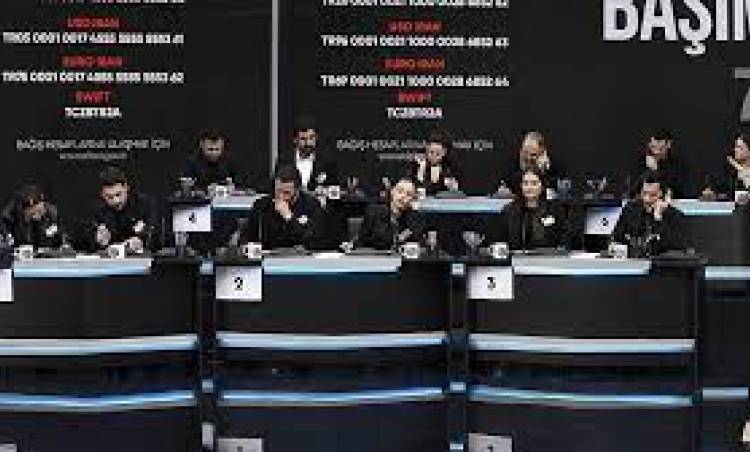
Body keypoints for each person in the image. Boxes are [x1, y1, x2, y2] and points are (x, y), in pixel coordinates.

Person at [240, 165, 324, 250]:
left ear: (297, 190)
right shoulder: (262, 205)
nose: (281, 196)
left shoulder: (311, 205)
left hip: (299, 255)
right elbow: (246, 237)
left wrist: (289, 217)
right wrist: (246, 247)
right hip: (268, 253)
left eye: (286, 193)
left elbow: (311, 239)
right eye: (278, 191)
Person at [488, 168, 569, 250]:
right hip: (517, 255)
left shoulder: (554, 209)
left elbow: (564, 236)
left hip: (549, 255)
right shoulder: (509, 210)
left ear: (542, 186)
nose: (529, 188)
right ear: (521, 186)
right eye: (525, 183)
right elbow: (499, 239)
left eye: (534, 183)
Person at [613, 173, 685, 256]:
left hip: (659, 262)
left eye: (653, 195)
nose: (647, 199)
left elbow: (671, 247)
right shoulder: (630, 210)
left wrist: (658, 218)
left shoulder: (675, 216)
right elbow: (617, 238)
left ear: (664, 196)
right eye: (644, 193)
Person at [91, 166, 160, 253]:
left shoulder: (145, 203)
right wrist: (97, 240)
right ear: (102, 195)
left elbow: (157, 238)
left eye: (118, 194)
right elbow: (84, 243)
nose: (116, 201)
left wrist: (142, 239)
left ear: (126, 188)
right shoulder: (99, 210)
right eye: (109, 197)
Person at [357, 178, 426, 250]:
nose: (403, 196)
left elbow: (419, 241)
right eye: (400, 191)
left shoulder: (415, 217)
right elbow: (362, 241)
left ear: (412, 199)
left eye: (408, 194)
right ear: (392, 192)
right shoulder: (374, 212)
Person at [276, 117, 339, 192]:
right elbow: (277, 186)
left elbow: (334, 189)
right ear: (295, 140)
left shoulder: (327, 161)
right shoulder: (284, 159)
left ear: (316, 138)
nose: (308, 143)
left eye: (311, 138)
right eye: (303, 139)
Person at [497, 131, 564, 197]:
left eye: (533, 155)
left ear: (542, 152)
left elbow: (555, 189)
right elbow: (506, 185)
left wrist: (543, 171)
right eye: (525, 152)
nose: (528, 157)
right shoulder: (512, 161)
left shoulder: (554, 164)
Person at [1, 184, 63, 249]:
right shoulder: (14, 218)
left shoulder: (51, 215)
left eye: (40, 211)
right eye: (34, 212)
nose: (37, 214)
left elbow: (57, 238)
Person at [631, 129, 687, 198]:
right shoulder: (641, 161)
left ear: (668, 144)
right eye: (653, 147)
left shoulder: (677, 163)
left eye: (661, 148)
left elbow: (676, 190)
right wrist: (649, 170)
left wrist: (656, 170)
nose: (656, 152)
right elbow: (633, 189)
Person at [409, 130, 461, 195]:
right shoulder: (417, 163)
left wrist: (452, 186)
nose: (434, 156)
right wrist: (421, 171)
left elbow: (455, 188)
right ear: (427, 149)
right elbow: (410, 183)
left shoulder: (449, 166)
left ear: (444, 152)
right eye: (431, 152)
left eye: (438, 154)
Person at [701, 133, 750, 201]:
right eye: (735, 147)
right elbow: (726, 193)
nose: (735, 150)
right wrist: (710, 190)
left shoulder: (739, 168)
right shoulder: (731, 171)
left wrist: (741, 169)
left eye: (739, 147)